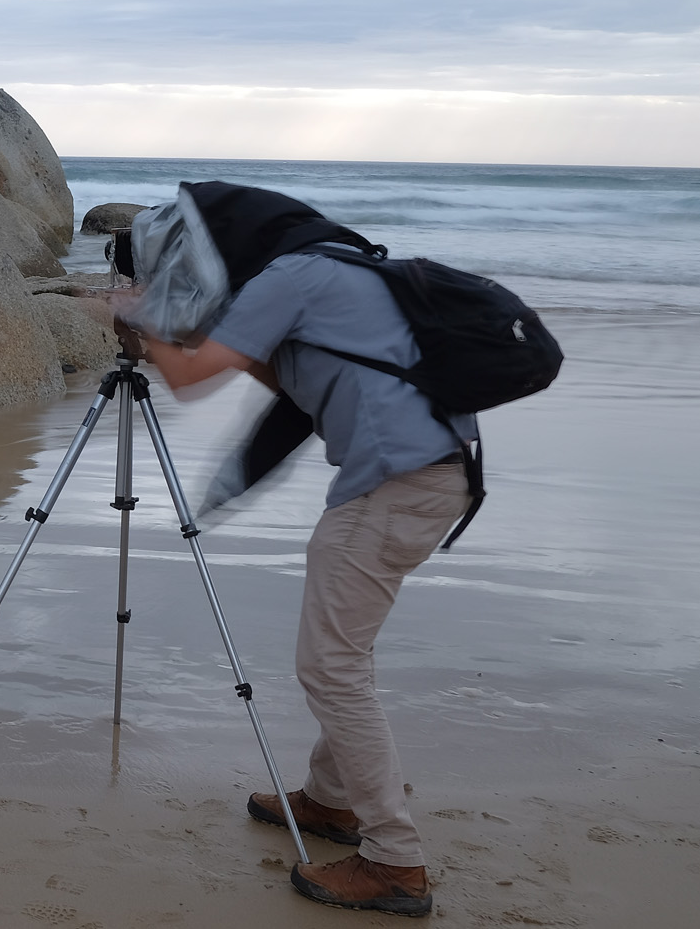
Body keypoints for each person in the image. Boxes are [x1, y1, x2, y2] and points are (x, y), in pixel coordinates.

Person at [114, 236, 475, 919]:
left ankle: (396, 862)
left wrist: (138, 316)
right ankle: (329, 800)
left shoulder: (288, 277)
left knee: (332, 669)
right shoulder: (331, 280)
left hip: (398, 486)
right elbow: (298, 386)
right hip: (427, 478)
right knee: (346, 654)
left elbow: (192, 377)